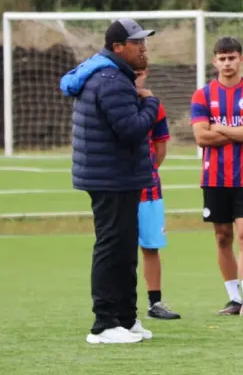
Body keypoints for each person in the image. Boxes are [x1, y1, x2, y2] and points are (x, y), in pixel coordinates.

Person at [60, 18, 161, 344]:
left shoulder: (112, 75)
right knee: (111, 247)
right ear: (118, 47)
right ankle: (104, 324)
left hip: (117, 175)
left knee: (124, 247)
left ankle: (126, 319)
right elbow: (131, 129)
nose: (144, 48)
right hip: (110, 177)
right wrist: (151, 102)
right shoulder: (112, 80)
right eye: (137, 43)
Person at [190, 37, 243, 317]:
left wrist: (220, 128)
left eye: (232, 58)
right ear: (215, 62)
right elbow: (201, 136)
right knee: (223, 237)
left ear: (241, 59)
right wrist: (240, 132)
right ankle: (234, 299)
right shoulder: (202, 95)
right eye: (222, 59)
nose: (227, 63)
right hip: (214, 178)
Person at [135, 68, 181, 320]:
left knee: (151, 247)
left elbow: (160, 148)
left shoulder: (155, 106)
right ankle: (121, 303)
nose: (135, 77)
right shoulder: (114, 101)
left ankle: (155, 303)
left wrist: (147, 172)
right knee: (118, 249)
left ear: (146, 73)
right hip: (120, 189)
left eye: (139, 72)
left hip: (149, 190)